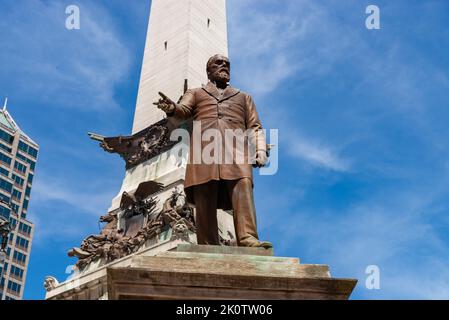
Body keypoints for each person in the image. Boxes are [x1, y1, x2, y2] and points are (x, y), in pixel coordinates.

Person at [154, 54, 272, 249]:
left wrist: (260, 149)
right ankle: (208, 244)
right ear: (209, 71)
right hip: (205, 149)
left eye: (227, 64)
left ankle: (248, 239)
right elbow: (183, 110)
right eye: (219, 63)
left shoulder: (244, 97)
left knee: (242, 187)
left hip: (236, 150)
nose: (224, 66)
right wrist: (172, 108)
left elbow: (255, 127)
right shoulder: (196, 93)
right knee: (204, 194)